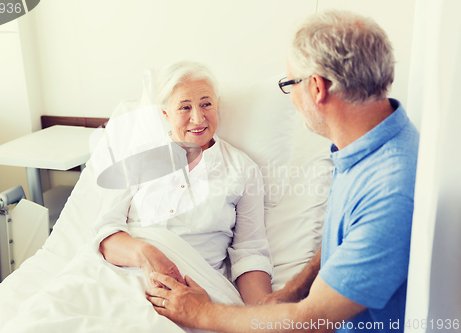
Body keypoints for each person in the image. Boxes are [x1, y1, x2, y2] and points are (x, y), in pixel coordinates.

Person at [146, 10, 419, 333]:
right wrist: (294, 288)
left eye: (290, 83)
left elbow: (311, 321)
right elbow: (349, 236)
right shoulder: (367, 142)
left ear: (316, 88)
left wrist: (200, 311)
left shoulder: (390, 189)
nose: (290, 97)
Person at [94, 60, 273, 306]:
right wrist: (146, 254)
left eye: (206, 104)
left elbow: (250, 253)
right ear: (166, 114)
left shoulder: (242, 170)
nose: (198, 118)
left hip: (194, 292)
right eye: (185, 107)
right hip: (121, 279)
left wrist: (263, 319)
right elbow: (104, 233)